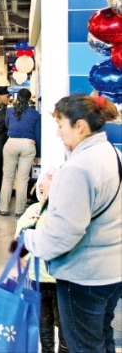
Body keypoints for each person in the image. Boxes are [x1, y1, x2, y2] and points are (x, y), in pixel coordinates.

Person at [17, 94, 121, 353]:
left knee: (84, 346)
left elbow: (64, 234)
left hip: (84, 276)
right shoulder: (112, 153)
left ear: (80, 126)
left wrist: (28, 240)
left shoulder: (79, 167)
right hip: (112, 270)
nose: (57, 133)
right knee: (101, 339)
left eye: (61, 125)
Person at [13, 169, 68, 353]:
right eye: (43, 190)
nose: (45, 195)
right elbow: (21, 238)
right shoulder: (37, 211)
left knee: (57, 323)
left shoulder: (55, 213)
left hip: (54, 280)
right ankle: (49, 350)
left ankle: (56, 349)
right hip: (45, 280)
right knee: (51, 323)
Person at [0, 88, 41, 217]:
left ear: (17, 97)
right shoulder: (35, 114)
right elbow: (38, 134)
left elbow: (7, 125)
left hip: (11, 143)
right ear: (29, 99)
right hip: (28, 144)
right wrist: (38, 153)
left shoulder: (10, 111)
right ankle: (19, 211)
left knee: (7, 178)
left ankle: (3, 209)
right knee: (23, 179)